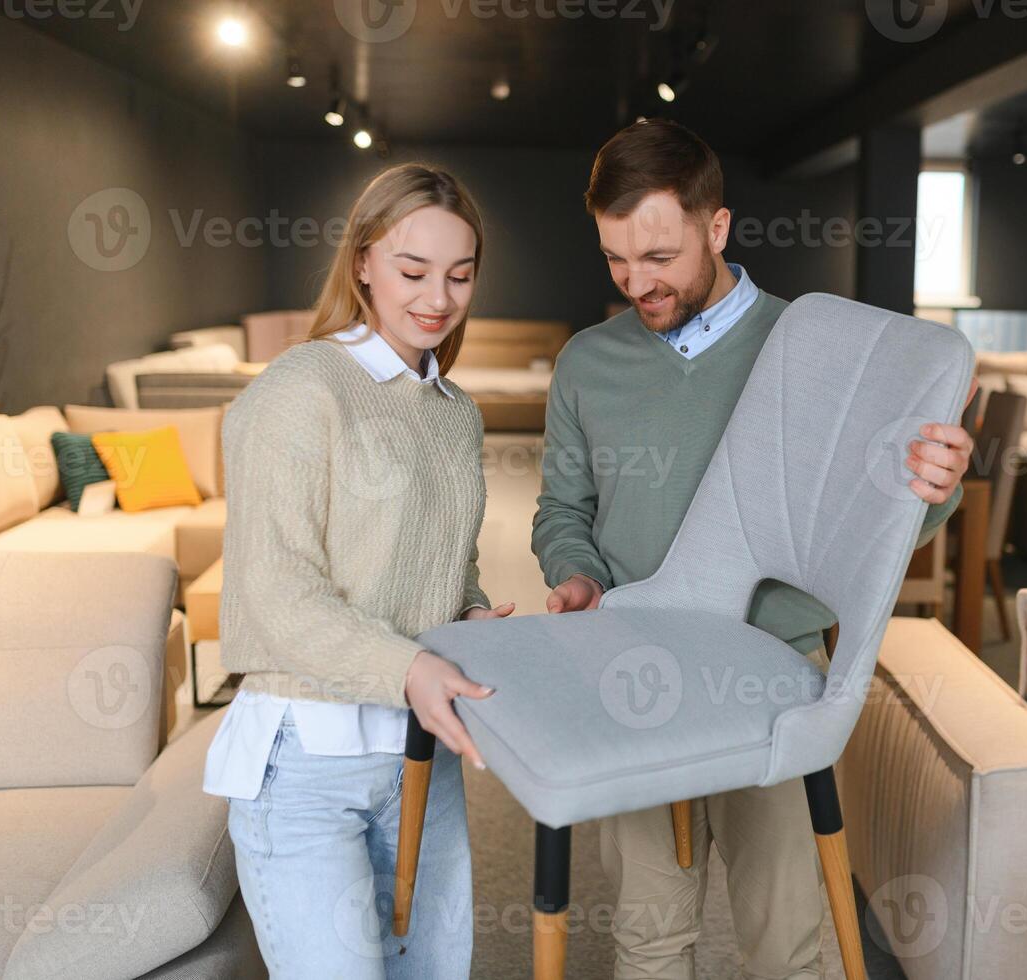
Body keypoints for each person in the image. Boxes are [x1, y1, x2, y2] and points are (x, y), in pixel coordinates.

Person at [532, 119, 978, 979]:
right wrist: (576, 576)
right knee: (647, 936)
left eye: (658, 257)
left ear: (717, 227)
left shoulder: (816, 354)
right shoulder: (588, 363)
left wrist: (936, 484)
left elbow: (871, 531)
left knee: (786, 945)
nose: (636, 283)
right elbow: (561, 509)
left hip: (773, 673)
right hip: (635, 670)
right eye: (616, 260)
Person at [203, 163, 513, 979]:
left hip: (420, 759)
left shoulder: (455, 412)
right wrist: (411, 663)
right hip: (304, 763)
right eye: (413, 271)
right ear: (364, 262)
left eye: (459, 274)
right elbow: (276, 593)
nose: (438, 298)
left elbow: (454, 563)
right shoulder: (301, 389)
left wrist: (469, 617)